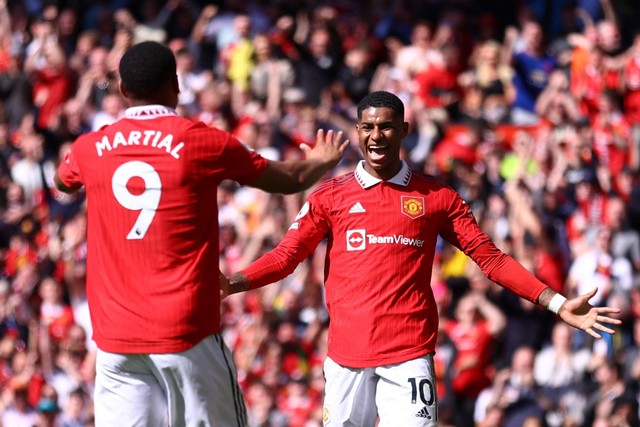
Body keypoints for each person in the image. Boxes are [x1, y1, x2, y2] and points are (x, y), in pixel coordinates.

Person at [223, 90, 621, 426]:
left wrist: (555, 302)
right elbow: (286, 256)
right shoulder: (331, 196)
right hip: (345, 356)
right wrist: (234, 282)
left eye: (386, 126)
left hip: (408, 355)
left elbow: (491, 259)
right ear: (359, 132)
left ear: (404, 131)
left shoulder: (437, 198)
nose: (376, 136)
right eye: (368, 127)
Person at [53, 40, 348, 427]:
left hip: (114, 341)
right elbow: (288, 180)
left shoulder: (90, 148)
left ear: (123, 90)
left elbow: (62, 182)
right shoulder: (201, 140)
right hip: (186, 331)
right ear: (176, 85)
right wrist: (320, 162)